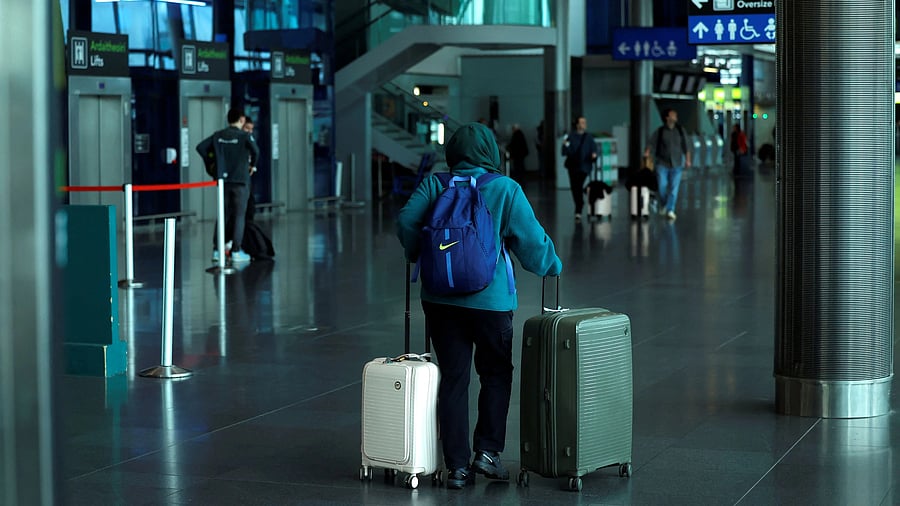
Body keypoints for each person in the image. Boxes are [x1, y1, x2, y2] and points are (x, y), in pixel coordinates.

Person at [396, 122, 562, 490]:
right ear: (490, 152)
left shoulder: (436, 184)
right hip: (491, 302)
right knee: (496, 374)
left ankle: (456, 467)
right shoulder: (504, 188)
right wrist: (552, 266)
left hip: (440, 300)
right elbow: (531, 241)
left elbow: (407, 220)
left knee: (453, 379)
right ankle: (487, 451)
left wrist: (417, 254)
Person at [196, 108, 259, 264]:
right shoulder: (244, 136)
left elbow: (201, 148)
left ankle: (217, 250)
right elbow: (256, 152)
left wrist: (212, 164)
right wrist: (252, 166)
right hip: (240, 181)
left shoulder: (218, 135)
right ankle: (236, 250)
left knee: (222, 215)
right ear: (242, 119)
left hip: (223, 181)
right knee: (239, 216)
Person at [645, 109, 692, 221]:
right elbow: (651, 143)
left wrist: (688, 159)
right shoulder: (660, 131)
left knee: (674, 188)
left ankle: (670, 210)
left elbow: (686, 146)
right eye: (673, 114)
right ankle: (664, 204)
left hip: (677, 164)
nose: (675, 116)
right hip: (662, 163)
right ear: (667, 117)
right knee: (662, 186)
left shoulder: (680, 131)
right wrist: (647, 151)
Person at [561, 115, 598, 222]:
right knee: (574, 187)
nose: (584, 124)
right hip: (573, 166)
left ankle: (578, 208)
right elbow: (565, 150)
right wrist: (565, 146)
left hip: (585, 166)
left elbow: (594, 149)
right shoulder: (570, 136)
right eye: (582, 122)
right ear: (577, 124)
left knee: (578, 185)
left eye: (584, 122)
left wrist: (594, 155)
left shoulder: (588, 137)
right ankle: (579, 204)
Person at [242, 116, 259, 223]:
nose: (250, 131)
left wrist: (252, 166)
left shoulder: (249, 140)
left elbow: (255, 153)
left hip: (247, 175)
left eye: (251, 129)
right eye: (247, 128)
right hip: (240, 177)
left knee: (250, 203)